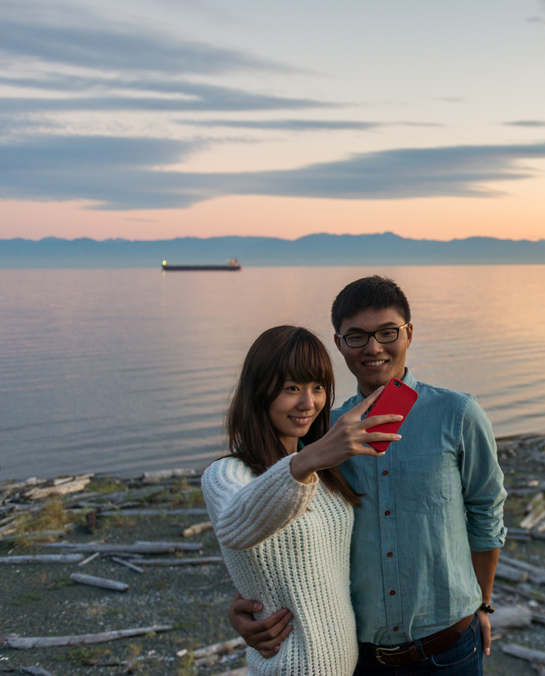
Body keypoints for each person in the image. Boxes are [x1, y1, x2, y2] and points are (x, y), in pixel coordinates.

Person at [227, 276, 508, 676]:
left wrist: (483, 602)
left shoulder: (458, 414)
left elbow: (486, 514)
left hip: (449, 648)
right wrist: (244, 604)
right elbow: (287, 530)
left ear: (409, 333)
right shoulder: (321, 436)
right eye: (356, 336)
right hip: (358, 656)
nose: (373, 348)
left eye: (387, 333)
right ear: (339, 343)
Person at [202, 325, 404, 676]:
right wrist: (307, 460)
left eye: (318, 388)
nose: (308, 403)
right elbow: (234, 527)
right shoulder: (226, 474)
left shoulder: (324, 472)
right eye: (291, 388)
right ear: (259, 392)